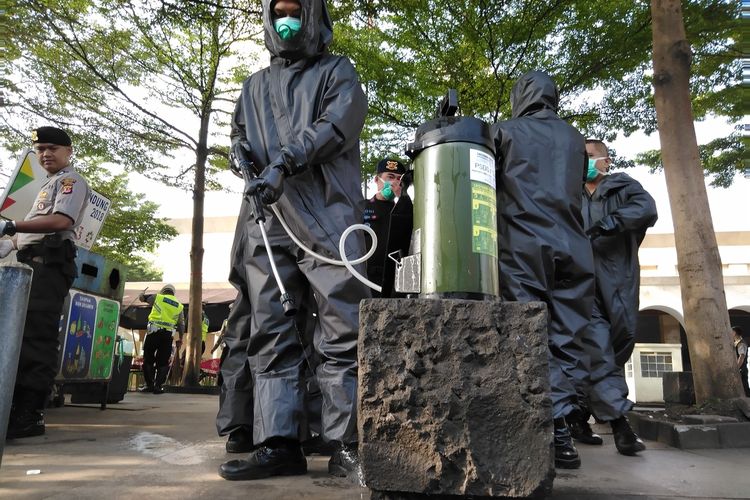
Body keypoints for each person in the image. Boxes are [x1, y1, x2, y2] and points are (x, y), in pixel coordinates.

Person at [218, 0, 370, 482]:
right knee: (271, 331)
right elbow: (241, 131)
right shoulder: (253, 86)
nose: (286, 20)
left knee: (341, 328)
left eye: (294, 10)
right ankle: (277, 442)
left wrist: (284, 162)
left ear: (313, 16)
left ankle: (345, 442)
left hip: (328, 216)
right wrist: (239, 149)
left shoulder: (337, 72)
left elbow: (336, 126)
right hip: (268, 220)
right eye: (277, 11)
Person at [492, 71, 595, 469]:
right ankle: (564, 421)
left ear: (521, 97)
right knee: (567, 334)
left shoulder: (504, 132)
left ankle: (552, 427)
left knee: (525, 330)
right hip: (573, 246)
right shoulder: (574, 138)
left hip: (522, 245)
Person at [567, 138, 657, 456]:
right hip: (581, 285)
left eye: (590, 156)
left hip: (620, 281)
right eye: (581, 157)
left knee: (618, 347)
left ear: (605, 160)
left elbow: (646, 210)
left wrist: (612, 222)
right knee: (598, 347)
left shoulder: (624, 187)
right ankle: (621, 426)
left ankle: (578, 416)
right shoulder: (568, 193)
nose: (585, 162)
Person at [1, 126, 90, 439]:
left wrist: (11, 225)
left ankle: (29, 414)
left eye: (53, 148)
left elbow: (60, 222)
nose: (45, 154)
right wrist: (12, 242)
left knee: (36, 339)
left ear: (68, 152)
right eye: (40, 149)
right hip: (32, 265)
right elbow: (33, 231)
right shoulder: (47, 185)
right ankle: (14, 410)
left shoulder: (70, 181)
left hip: (49, 267)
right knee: (20, 338)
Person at [363, 158, 413, 297]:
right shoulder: (362, 206)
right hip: (365, 278)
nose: (394, 183)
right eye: (390, 177)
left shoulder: (403, 210)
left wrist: (402, 196)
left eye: (398, 179)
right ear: (377, 180)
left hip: (393, 281)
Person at [138, 284, 184, 394]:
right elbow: (181, 324)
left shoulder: (157, 297)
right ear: (173, 293)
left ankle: (149, 385)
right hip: (167, 336)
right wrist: (181, 338)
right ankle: (158, 387)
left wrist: (141, 294)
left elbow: (142, 298)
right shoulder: (179, 306)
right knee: (163, 361)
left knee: (148, 358)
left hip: (153, 333)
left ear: (163, 291)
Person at [733, 326, 750, 397]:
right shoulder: (736, 343)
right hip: (740, 368)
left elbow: (741, 357)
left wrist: (736, 368)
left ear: (734, 333)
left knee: (744, 387)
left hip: (741, 368)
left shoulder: (741, 343)